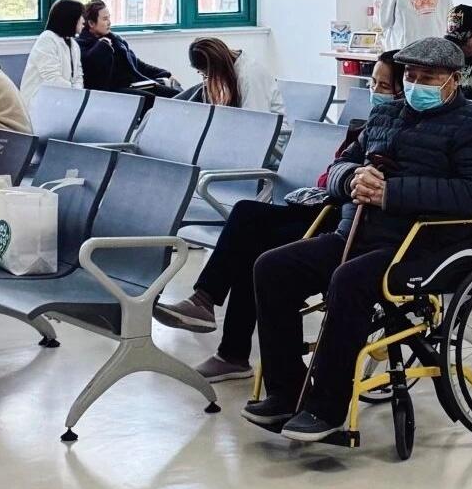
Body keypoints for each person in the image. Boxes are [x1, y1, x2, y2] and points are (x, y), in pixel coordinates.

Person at [247, 37, 472, 443]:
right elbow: (337, 166)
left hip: (424, 246)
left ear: (453, 80)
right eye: (410, 76)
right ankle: (286, 391)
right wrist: (351, 179)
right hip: (357, 233)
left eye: (428, 78)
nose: (416, 84)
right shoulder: (385, 115)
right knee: (272, 268)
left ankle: (327, 408)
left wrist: (391, 193)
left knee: (350, 279)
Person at [155, 54, 405, 381]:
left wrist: (352, 181)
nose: (374, 91)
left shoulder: (406, 136)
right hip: (326, 205)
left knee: (256, 249)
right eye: (372, 83)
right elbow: (331, 173)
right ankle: (204, 300)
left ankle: (232, 353)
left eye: (383, 86)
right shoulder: (368, 127)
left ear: (402, 90)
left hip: (345, 219)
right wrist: (346, 178)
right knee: (246, 212)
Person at [78, 0, 175, 92]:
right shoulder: (83, 45)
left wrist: (166, 74)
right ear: (91, 23)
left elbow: (138, 65)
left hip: (135, 85)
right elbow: (93, 69)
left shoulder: (115, 40)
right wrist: (103, 46)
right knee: (162, 97)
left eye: (109, 18)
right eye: (105, 19)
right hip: (116, 92)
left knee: (174, 91)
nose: (109, 22)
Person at [186, 36, 284, 115]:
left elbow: (254, 122)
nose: (207, 79)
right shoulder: (230, 69)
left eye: (207, 75)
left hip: (272, 131)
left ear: (216, 67)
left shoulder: (249, 77)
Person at [20, 0, 85, 108]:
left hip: (62, 101)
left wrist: (77, 93)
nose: (83, 21)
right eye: (80, 16)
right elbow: (52, 78)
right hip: (39, 105)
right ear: (70, 18)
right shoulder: (47, 39)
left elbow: (78, 75)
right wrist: (73, 93)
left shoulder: (74, 44)